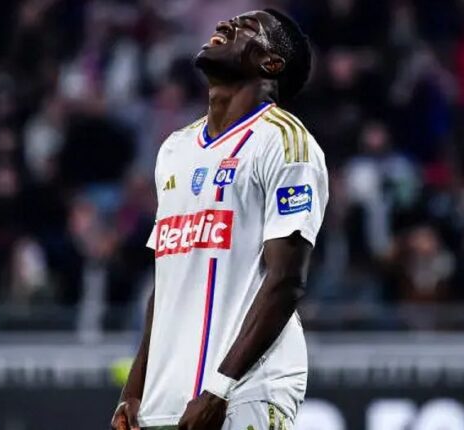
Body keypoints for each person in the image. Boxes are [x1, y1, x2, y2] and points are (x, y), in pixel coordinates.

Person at [111, 9, 328, 430]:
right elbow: (166, 282)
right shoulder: (174, 149)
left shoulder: (284, 142)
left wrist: (221, 388)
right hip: (167, 398)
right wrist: (134, 390)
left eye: (247, 27)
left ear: (271, 63)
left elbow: (286, 279)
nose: (225, 25)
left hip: (245, 390)